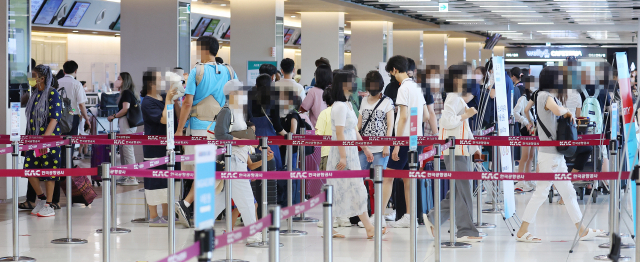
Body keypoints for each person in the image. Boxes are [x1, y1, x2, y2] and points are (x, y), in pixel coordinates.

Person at [518, 66, 602, 242]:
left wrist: (534, 125)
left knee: (568, 192)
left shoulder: (539, 95)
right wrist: (567, 111)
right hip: (550, 154)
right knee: (542, 192)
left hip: (552, 153)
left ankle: (582, 230)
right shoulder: (545, 96)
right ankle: (522, 230)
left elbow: (527, 110)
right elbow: (557, 111)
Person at [174, 36, 237, 227]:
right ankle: (195, 209)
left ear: (203, 49)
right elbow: (236, 98)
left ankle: (187, 204)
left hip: (199, 129)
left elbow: (187, 103)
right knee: (212, 171)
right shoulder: (229, 71)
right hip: (222, 129)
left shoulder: (197, 71)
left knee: (203, 171)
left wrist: (179, 130)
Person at [422, 64, 484, 242]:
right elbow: (446, 121)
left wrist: (475, 149)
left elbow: (464, 128)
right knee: (463, 191)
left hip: (460, 150)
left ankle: (434, 217)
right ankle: (466, 231)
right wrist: (466, 115)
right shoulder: (453, 97)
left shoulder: (457, 98)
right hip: (454, 151)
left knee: (458, 191)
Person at [326, 70, 383, 239]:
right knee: (351, 189)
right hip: (342, 153)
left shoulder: (348, 104)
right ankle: (369, 227)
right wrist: (343, 157)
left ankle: (332, 227)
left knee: (347, 189)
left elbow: (354, 130)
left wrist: (365, 148)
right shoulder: (339, 107)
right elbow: (340, 134)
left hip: (349, 152)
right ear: (344, 84)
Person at [384, 55, 430, 228]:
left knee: (388, 177)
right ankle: (410, 217)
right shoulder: (417, 87)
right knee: (408, 178)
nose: (392, 76)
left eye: (391, 72)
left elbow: (402, 117)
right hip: (415, 138)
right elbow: (425, 115)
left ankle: (379, 216)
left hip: (403, 140)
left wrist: (396, 145)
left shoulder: (403, 89)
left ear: (395, 70)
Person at [213, 81, 262, 243]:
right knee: (246, 198)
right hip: (232, 159)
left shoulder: (238, 111)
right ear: (233, 94)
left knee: (222, 197)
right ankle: (253, 234)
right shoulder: (226, 112)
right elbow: (220, 134)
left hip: (238, 159)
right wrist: (237, 140)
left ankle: (202, 228)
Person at [140, 70, 182, 226]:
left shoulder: (164, 97)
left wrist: (175, 100)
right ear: (151, 83)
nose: (163, 81)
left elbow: (176, 116)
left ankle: (166, 214)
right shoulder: (147, 102)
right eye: (159, 79)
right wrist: (169, 100)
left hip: (170, 144)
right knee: (155, 180)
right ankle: (154, 216)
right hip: (155, 147)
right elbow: (164, 119)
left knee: (169, 179)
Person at [355, 71, 394, 228]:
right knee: (358, 181)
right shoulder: (364, 101)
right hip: (364, 149)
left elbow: (390, 125)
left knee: (380, 183)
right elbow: (359, 124)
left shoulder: (387, 101)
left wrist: (387, 144)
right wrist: (357, 138)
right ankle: (363, 215)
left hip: (380, 149)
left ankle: (378, 215)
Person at [25, 64, 63, 217]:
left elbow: (54, 119)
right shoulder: (34, 94)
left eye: (33, 75)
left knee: (49, 171)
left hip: (49, 138)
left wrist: (44, 141)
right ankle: (40, 199)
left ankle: (49, 204)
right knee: (29, 169)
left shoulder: (52, 94)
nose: (31, 78)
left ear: (43, 78)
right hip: (33, 138)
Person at [107, 72, 140, 186]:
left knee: (127, 149)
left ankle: (132, 177)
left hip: (126, 123)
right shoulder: (128, 93)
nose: (117, 81)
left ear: (124, 81)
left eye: (119, 79)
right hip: (127, 123)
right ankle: (126, 175)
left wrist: (114, 116)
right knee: (123, 149)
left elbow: (125, 109)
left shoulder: (126, 92)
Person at [57, 61, 91, 162]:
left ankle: (60, 169)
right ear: (75, 71)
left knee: (59, 143)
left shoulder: (57, 82)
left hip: (58, 116)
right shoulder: (77, 84)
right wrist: (87, 119)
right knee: (70, 143)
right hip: (73, 116)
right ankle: (67, 168)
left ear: (64, 71)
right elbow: (81, 104)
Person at [513, 76, 537, 191]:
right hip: (526, 130)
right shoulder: (523, 98)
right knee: (525, 156)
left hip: (534, 130)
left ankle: (528, 179)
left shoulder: (535, 97)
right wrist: (526, 122)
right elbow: (515, 112)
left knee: (531, 156)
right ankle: (520, 180)